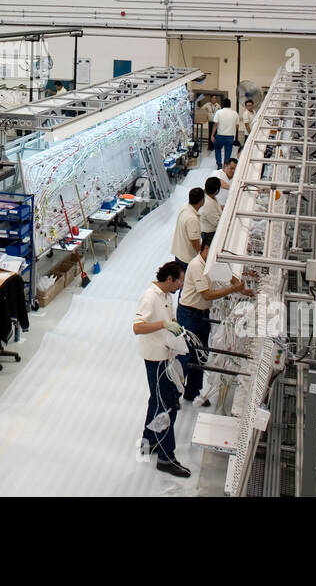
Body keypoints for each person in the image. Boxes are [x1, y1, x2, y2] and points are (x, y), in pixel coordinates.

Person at [133, 261, 190, 478]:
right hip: (155, 358)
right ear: (169, 279)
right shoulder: (150, 297)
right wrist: (163, 325)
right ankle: (166, 458)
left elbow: (170, 318)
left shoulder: (167, 295)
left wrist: (175, 327)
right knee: (167, 405)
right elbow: (137, 327)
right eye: (180, 281)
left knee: (156, 401)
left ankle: (148, 443)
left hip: (167, 354)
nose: (180, 285)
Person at [177, 238, 246, 403]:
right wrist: (232, 289)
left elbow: (230, 277)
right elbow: (206, 294)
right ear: (206, 248)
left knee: (201, 353)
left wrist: (243, 288)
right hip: (189, 313)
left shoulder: (211, 263)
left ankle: (192, 391)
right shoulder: (196, 266)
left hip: (202, 313)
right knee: (186, 354)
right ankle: (174, 395)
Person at [171, 187, 203, 268]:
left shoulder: (184, 208)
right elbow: (195, 242)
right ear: (202, 201)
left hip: (179, 254)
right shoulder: (192, 219)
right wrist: (203, 256)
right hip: (187, 259)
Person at [212, 97, 239, 167]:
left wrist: (212, 135)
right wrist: (234, 134)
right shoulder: (235, 113)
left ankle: (219, 163)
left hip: (220, 135)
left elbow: (215, 124)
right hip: (230, 136)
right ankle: (226, 165)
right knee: (228, 152)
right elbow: (237, 126)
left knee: (217, 149)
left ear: (223, 104)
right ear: (230, 105)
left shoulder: (219, 112)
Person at [198, 177, 222, 247]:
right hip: (209, 234)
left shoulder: (209, 196)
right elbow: (216, 222)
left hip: (211, 230)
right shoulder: (208, 204)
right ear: (217, 191)